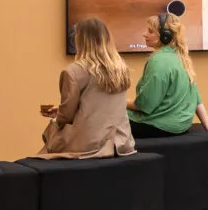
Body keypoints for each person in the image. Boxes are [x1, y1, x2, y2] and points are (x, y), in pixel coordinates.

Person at [38, 17, 135, 159]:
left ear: (79, 40)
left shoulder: (73, 71)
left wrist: (57, 118)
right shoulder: (121, 69)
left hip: (88, 145)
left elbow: (66, 117)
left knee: (46, 145)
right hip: (122, 143)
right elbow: (103, 107)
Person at [128, 12, 208, 137]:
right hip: (181, 126)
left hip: (159, 126)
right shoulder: (181, 58)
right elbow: (196, 98)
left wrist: (122, 102)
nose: (144, 34)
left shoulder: (158, 61)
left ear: (165, 36)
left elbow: (144, 105)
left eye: (150, 31)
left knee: (108, 112)